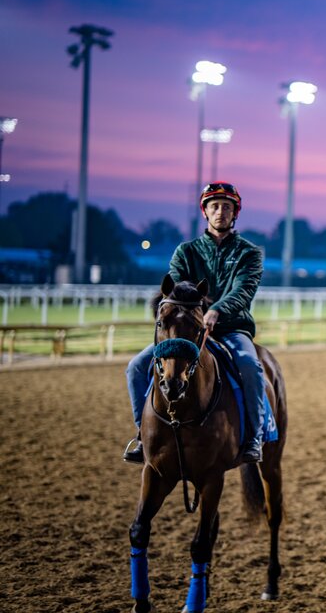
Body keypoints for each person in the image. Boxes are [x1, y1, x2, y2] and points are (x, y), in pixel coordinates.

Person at [123, 182, 265, 464]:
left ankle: (254, 437)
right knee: (136, 367)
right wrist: (199, 313)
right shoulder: (185, 251)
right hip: (188, 331)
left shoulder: (250, 253)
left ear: (235, 213)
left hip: (231, 328)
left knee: (250, 366)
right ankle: (143, 434)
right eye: (214, 206)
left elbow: (243, 290)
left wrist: (217, 310)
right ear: (205, 212)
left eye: (227, 207)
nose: (220, 212)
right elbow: (176, 288)